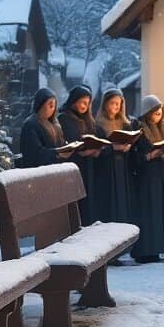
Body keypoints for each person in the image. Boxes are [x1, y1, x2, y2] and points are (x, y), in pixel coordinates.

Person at [129, 95, 164, 262]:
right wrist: (151, 155)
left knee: (159, 213)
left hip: (161, 175)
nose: (158, 113)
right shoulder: (139, 129)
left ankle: (157, 249)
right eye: (155, 111)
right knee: (148, 214)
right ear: (147, 112)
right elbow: (134, 158)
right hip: (146, 178)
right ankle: (145, 251)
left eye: (160, 110)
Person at [57, 86, 101, 224]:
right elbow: (68, 141)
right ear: (73, 100)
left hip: (89, 166)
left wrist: (96, 149)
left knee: (89, 202)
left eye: (87, 103)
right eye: (82, 102)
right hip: (74, 165)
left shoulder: (89, 119)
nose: (84, 106)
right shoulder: (64, 118)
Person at [91, 88, 135, 224]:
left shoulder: (126, 124)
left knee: (123, 204)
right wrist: (113, 147)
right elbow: (97, 150)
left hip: (122, 168)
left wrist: (128, 146)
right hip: (107, 169)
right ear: (105, 104)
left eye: (118, 103)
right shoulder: (98, 125)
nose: (116, 106)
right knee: (110, 204)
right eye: (113, 103)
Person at [19, 88, 75, 168]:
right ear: (40, 104)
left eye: (54, 105)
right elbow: (34, 153)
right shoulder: (30, 124)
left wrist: (67, 147)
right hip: (38, 172)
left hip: (57, 169)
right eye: (50, 105)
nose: (52, 108)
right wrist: (56, 153)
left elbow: (60, 144)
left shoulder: (55, 123)